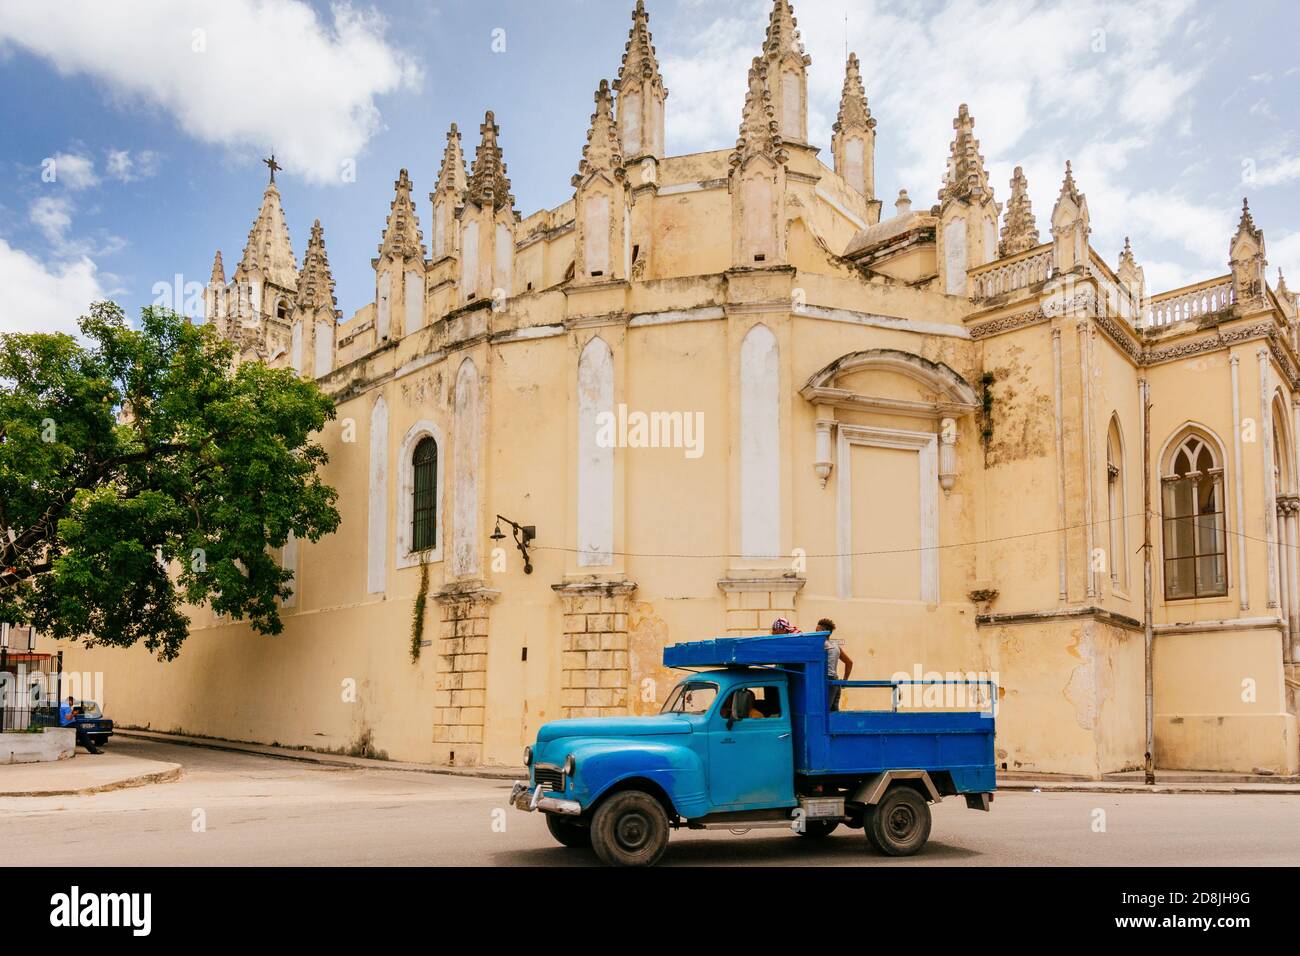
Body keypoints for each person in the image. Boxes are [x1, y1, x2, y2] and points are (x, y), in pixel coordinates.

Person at [819, 618, 853, 712]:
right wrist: (844, 681)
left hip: (827, 680)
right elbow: (849, 662)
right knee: (834, 712)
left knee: (823, 711)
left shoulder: (822, 644)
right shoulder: (835, 645)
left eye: (817, 631)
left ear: (824, 632)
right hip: (836, 682)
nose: (815, 634)